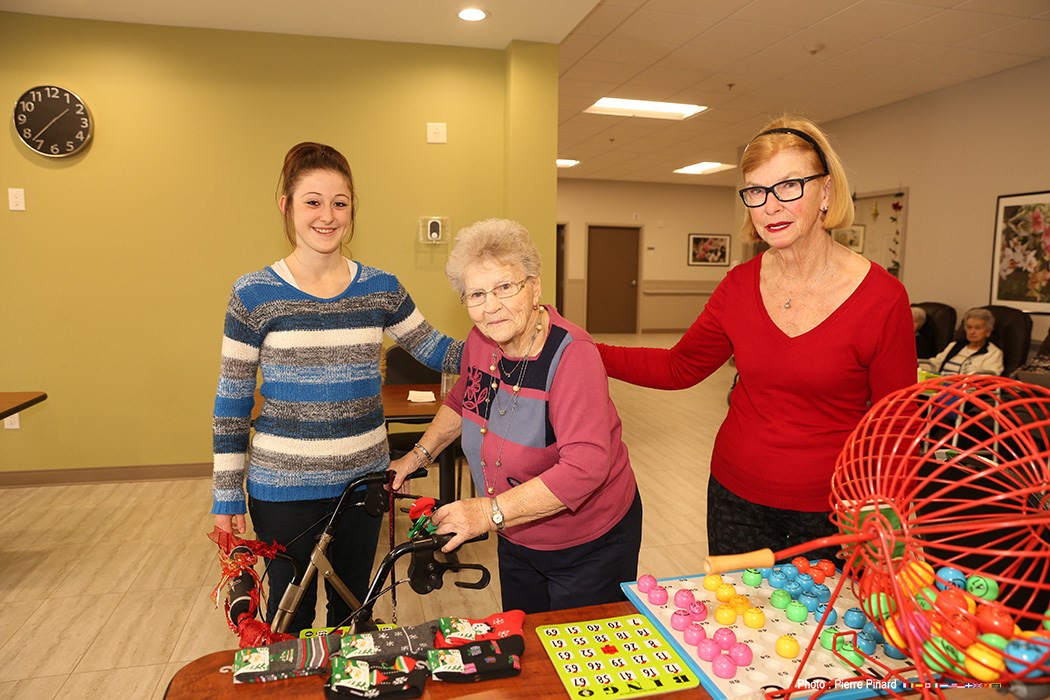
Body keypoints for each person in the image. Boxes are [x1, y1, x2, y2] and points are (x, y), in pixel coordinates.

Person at [597, 117, 916, 563]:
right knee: (738, 625)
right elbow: (679, 367)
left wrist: (885, 512)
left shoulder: (882, 298)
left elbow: (896, 424)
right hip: (735, 497)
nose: (770, 206)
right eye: (756, 191)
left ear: (825, 193)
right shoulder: (738, 285)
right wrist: (580, 348)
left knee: (824, 631)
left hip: (833, 510)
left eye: (789, 185)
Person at [211, 142, 462, 634]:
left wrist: (507, 338)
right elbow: (232, 404)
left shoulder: (381, 287)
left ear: (352, 209)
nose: (328, 215)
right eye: (313, 201)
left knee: (354, 613)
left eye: (340, 202)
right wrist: (226, 497)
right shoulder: (253, 293)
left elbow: (437, 349)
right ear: (286, 206)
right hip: (283, 492)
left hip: (363, 486)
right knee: (290, 621)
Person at [390, 218, 642, 614]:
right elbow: (462, 401)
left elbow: (586, 467)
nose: (491, 306)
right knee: (526, 633)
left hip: (589, 543)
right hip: (516, 529)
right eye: (476, 294)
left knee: (575, 653)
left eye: (505, 287)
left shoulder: (572, 354)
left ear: (535, 286)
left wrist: (487, 512)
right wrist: (417, 456)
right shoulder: (482, 341)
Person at [921, 307, 1003, 376]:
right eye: (969, 327)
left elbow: (990, 377)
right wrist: (916, 366)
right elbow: (935, 364)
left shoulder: (993, 353)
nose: (972, 332)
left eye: (977, 328)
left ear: (988, 332)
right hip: (938, 387)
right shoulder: (954, 345)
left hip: (965, 391)